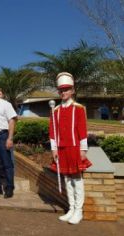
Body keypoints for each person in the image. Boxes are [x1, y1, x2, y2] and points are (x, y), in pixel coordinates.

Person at [49, 72, 92, 224]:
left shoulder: (79, 108)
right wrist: (54, 149)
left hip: (74, 148)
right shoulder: (55, 111)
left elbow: (82, 129)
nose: (63, 92)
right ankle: (71, 208)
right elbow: (52, 131)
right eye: (61, 90)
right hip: (61, 149)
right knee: (67, 179)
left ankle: (79, 211)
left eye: (66, 89)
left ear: (72, 90)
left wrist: (83, 149)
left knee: (77, 179)